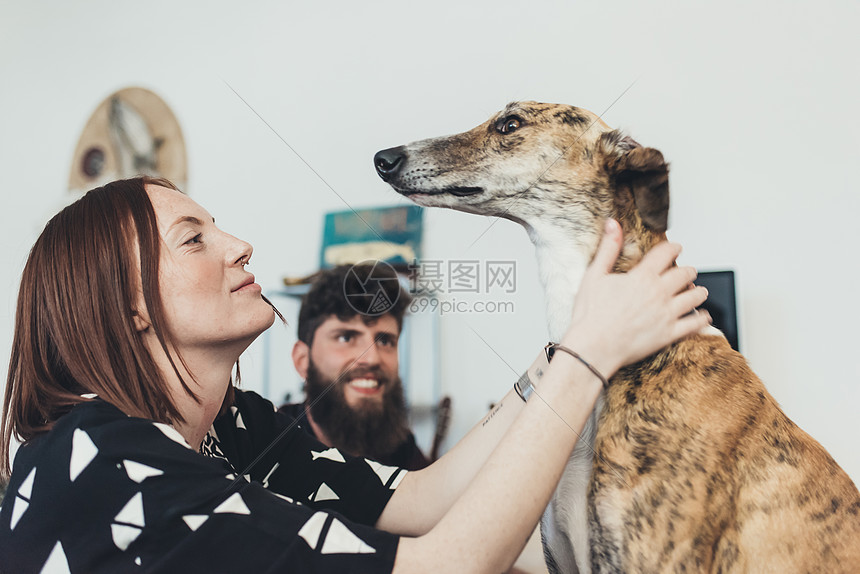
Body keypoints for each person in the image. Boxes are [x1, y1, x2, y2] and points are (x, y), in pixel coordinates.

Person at [0, 176, 710, 573]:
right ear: (128, 308)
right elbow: (447, 566)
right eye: (194, 239)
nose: (240, 245)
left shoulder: (232, 431)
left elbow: (426, 500)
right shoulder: (98, 466)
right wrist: (591, 354)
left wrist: (564, 347)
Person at [279, 263, 430, 470]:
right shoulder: (273, 442)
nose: (372, 358)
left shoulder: (401, 448)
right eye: (346, 337)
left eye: (385, 341)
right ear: (302, 360)